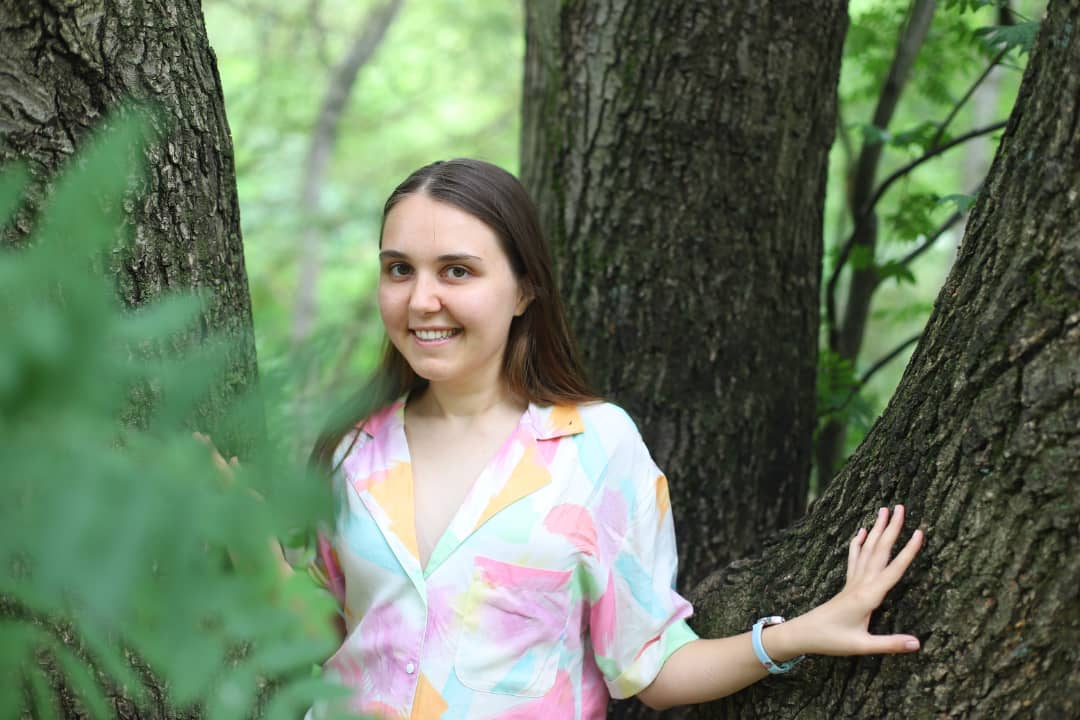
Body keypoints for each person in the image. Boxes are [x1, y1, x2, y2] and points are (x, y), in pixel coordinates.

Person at [300, 158, 924, 719]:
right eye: (399, 269)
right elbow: (320, 637)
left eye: (456, 271)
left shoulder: (595, 447)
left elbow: (653, 666)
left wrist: (800, 633)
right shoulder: (351, 451)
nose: (421, 300)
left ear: (524, 289)